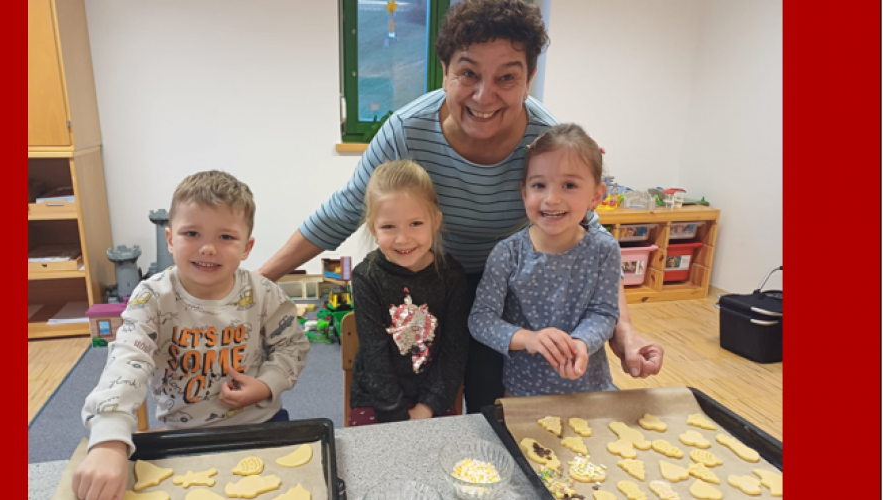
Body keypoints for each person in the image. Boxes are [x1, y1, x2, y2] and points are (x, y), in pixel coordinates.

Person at [258, 0, 663, 413]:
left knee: (492, 399)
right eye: (468, 73)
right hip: (431, 279)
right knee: (422, 389)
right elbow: (345, 209)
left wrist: (624, 332)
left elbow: (588, 235)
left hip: (508, 290)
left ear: (529, 78)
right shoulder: (407, 131)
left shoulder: (545, 139)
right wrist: (254, 284)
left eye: (507, 77)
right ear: (445, 71)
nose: (484, 96)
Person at [73, 171, 310, 500]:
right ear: (170, 239)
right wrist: (108, 439)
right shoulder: (152, 298)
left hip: (263, 424)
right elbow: (126, 360)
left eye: (226, 237)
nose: (208, 248)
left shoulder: (265, 293)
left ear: (247, 247)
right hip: (184, 435)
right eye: (192, 233)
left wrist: (266, 384)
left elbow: (292, 346)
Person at [469, 124, 620, 396]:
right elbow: (481, 320)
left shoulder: (604, 249)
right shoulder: (508, 253)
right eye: (539, 185)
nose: (551, 199)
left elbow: (604, 312)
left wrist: (581, 343)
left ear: (596, 195)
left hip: (590, 390)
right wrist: (530, 339)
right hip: (523, 394)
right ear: (524, 192)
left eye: (569, 185)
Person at [348, 160, 469, 426]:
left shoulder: (451, 276)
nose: (402, 239)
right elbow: (374, 356)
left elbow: (454, 350)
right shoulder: (366, 277)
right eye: (388, 227)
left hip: (434, 399)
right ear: (372, 228)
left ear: (435, 221)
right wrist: (396, 416)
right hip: (376, 400)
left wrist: (427, 407)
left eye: (415, 223)